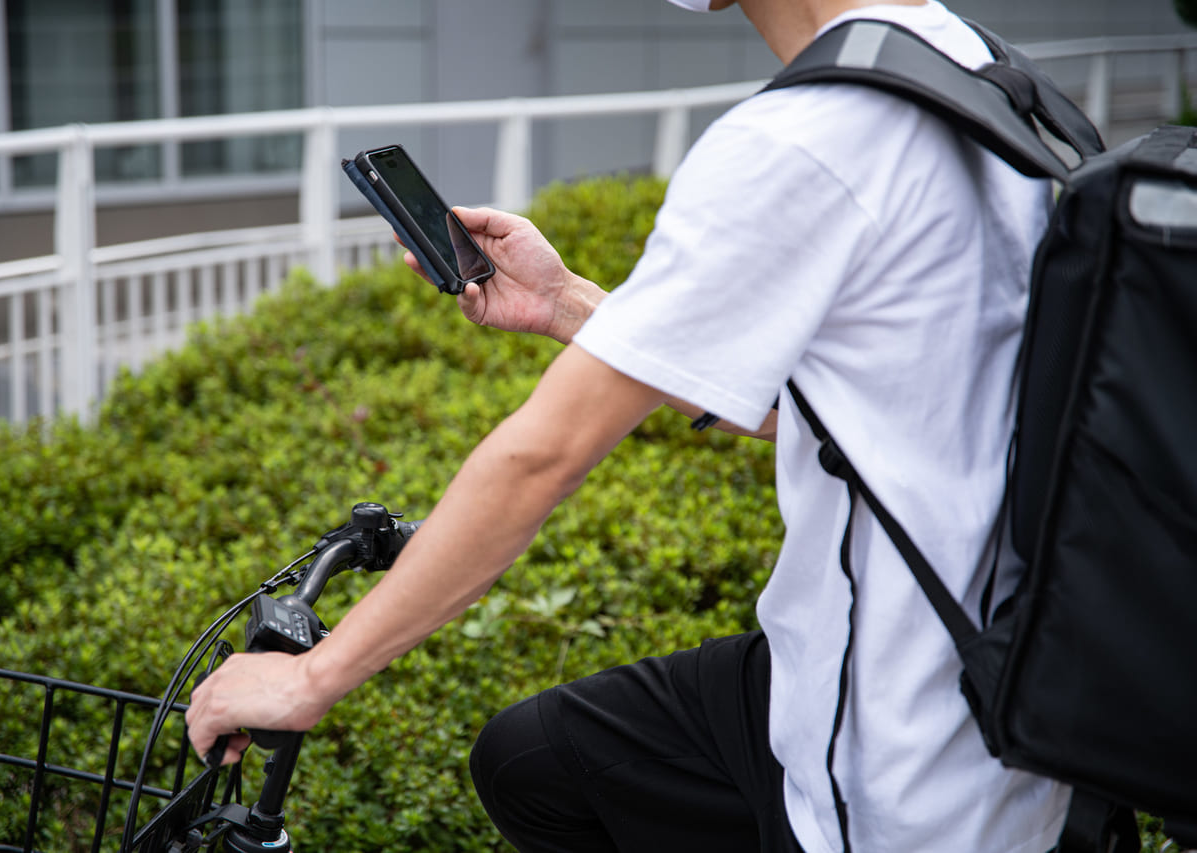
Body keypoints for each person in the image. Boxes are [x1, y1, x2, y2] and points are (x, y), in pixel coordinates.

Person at [187, 0, 1073, 849]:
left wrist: (310, 677)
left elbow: (540, 458)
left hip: (893, 757)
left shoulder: (803, 140)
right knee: (534, 760)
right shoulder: (987, 77)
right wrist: (568, 303)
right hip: (1007, 698)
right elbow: (837, 404)